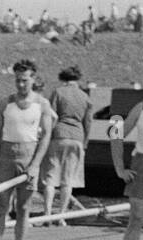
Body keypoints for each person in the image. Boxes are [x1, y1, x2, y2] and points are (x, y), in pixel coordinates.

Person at [0, 59, 54, 240]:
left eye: (24, 80)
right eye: (18, 80)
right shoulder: (6, 103)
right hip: (6, 154)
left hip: (29, 155)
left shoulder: (42, 104)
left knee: (23, 207)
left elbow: (46, 136)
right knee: (1, 206)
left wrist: (35, 165)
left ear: (33, 79)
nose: (21, 85)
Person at [110, 69, 143, 240]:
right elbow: (116, 134)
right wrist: (120, 168)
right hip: (142, 164)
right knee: (137, 216)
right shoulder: (142, 107)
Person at [41, 66, 93, 222]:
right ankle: (62, 216)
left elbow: (51, 116)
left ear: (62, 79)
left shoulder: (58, 92)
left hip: (58, 135)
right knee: (67, 180)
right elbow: (88, 121)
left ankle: (47, 215)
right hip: (77, 137)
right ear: (78, 80)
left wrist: (46, 136)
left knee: (50, 178)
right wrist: (85, 142)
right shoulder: (85, 97)